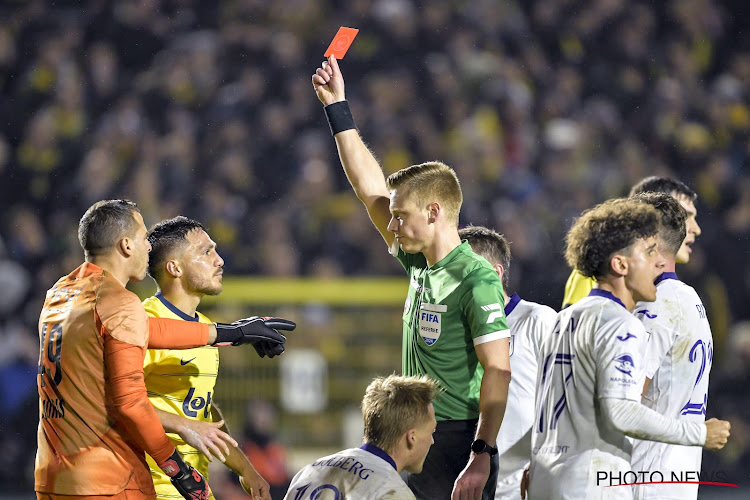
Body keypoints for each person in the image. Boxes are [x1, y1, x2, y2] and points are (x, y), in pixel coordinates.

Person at [313, 56, 512, 500]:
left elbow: (498, 369)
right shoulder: (419, 262)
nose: (393, 224)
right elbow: (371, 191)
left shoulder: (475, 278)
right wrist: (337, 107)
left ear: (435, 213)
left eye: (402, 216)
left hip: (459, 439)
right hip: (417, 435)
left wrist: (481, 453)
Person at [35, 199, 292, 500]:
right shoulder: (122, 303)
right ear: (127, 245)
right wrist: (178, 469)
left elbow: (149, 332)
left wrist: (232, 333)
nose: (149, 247)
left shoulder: (60, 293)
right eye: (144, 238)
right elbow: (129, 403)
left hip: (55, 472)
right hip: (109, 477)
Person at [525, 198, 730, 500]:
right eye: (649, 253)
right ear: (620, 264)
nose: (659, 262)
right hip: (593, 483)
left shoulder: (560, 319)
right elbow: (621, 410)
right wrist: (699, 433)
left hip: (546, 475)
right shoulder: (624, 324)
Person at [143, 216, 285, 500]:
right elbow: (121, 402)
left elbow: (202, 410)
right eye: (205, 251)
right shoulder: (145, 321)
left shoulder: (207, 329)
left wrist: (247, 469)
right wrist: (187, 426)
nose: (219, 260)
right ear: (174, 267)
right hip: (150, 487)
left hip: (196, 489)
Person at [457, 226, 557, 500]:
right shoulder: (452, 331)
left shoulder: (537, 320)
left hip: (522, 487)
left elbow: (562, 404)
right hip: (465, 486)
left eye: (464, 270)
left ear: (496, 273)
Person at [628, 193, 716, 500]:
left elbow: (628, 394)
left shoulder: (657, 305)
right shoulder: (688, 298)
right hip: (675, 475)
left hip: (645, 477)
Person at [284, 374, 440, 500]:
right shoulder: (392, 491)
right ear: (411, 437)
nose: (432, 441)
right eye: (431, 432)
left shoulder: (309, 471)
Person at [561, 177, 701, 308]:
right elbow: (576, 328)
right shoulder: (601, 268)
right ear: (654, 215)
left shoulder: (663, 284)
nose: (696, 229)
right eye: (684, 217)